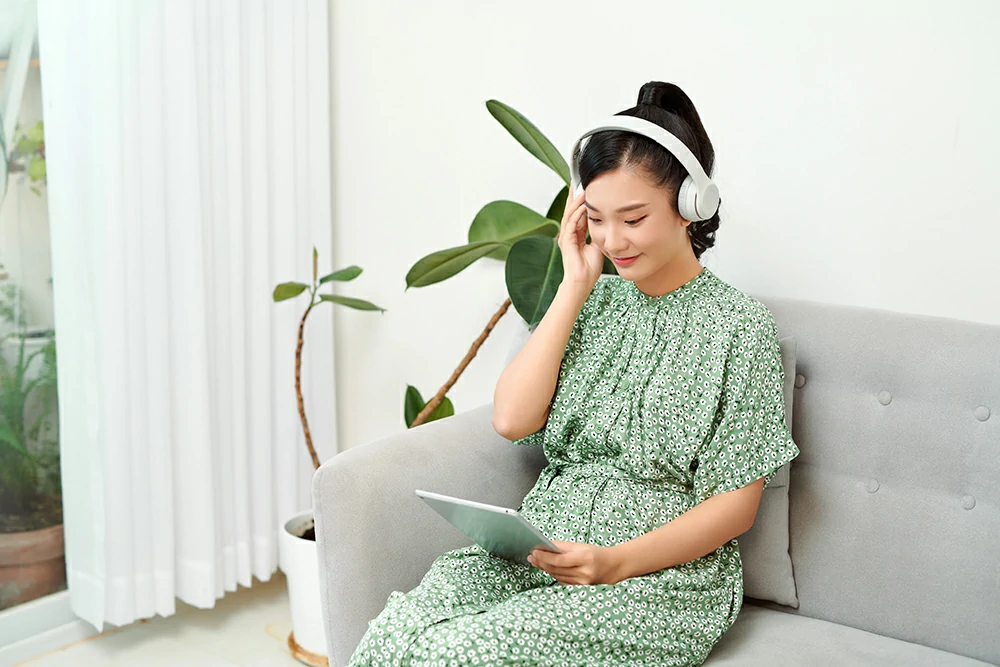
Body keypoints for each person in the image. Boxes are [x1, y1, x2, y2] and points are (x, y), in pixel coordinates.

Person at [348, 81, 800, 667]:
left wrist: (613, 562)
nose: (613, 242)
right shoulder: (592, 302)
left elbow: (735, 506)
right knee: (396, 634)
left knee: (456, 651)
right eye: (599, 220)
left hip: (654, 579)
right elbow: (511, 420)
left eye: (633, 219)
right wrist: (574, 283)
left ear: (691, 206)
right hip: (542, 549)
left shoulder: (739, 327)